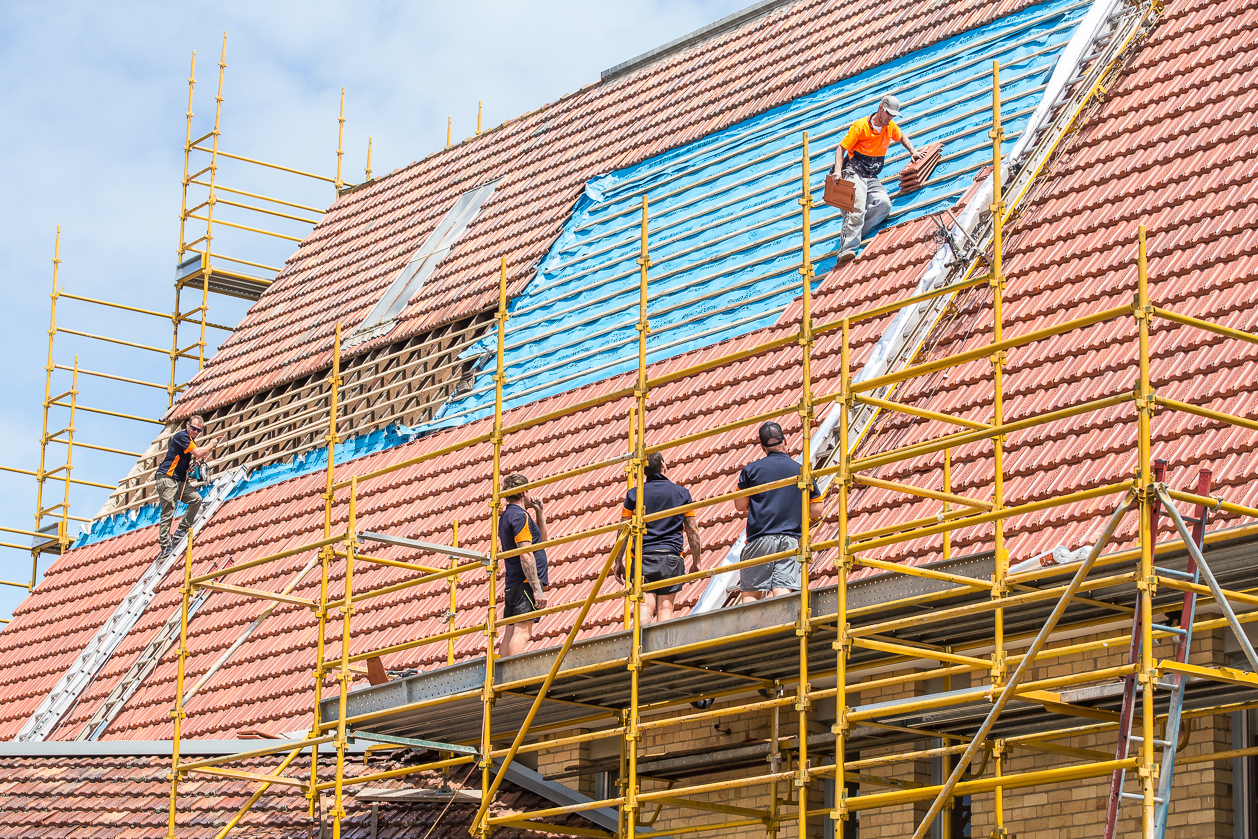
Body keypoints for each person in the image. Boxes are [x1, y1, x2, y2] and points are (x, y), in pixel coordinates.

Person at [734, 422, 823, 602]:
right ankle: (782, 628)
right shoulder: (801, 470)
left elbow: (740, 505)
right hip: (790, 539)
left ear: (762, 447)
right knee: (782, 589)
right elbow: (816, 509)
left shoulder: (751, 470)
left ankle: (753, 630)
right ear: (786, 441)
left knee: (751, 592)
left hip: (760, 538)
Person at [833, 93, 925, 263]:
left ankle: (856, 233)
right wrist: (838, 171)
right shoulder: (860, 127)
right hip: (855, 171)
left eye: (893, 115)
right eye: (888, 114)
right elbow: (841, 148)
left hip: (871, 175)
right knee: (857, 208)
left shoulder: (890, 126)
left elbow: (902, 137)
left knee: (884, 204)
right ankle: (847, 249)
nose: (890, 118)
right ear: (880, 108)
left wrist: (913, 151)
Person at [612, 452, 702, 624]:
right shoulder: (682, 493)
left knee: (645, 607)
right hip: (671, 558)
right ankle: (663, 649)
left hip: (643, 558)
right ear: (663, 465)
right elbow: (692, 530)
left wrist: (618, 561)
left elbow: (624, 531)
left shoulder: (634, 495)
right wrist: (696, 561)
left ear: (643, 471)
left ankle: (641, 647)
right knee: (665, 608)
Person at [498, 473, 549, 657]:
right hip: (524, 583)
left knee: (510, 633)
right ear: (524, 492)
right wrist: (537, 588)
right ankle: (515, 679)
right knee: (522, 632)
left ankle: (504, 679)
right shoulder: (520, 517)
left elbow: (541, 541)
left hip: (513, 583)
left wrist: (539, 513)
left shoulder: (507, 516)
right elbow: (526, 553)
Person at [156, 415, 219, 556]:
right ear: (187, 425)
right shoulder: (182, 437)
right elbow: (198, 453)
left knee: (196, 499)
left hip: (179, 480)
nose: (196, 432)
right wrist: (211, 445)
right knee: (168, 511)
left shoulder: (190, 441)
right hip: (167, 478)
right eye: (194, 428)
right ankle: (165, 546)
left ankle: (182, 529)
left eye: (199, 430)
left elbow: (198, 455)